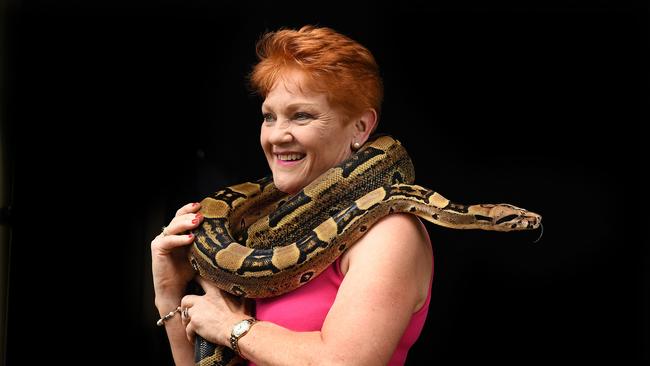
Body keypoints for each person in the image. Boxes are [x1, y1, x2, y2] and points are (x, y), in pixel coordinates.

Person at [151, 25, 434, 365]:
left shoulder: (389, 232)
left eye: (301, 116)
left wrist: (232, 328)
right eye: (269, 117)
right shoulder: (256, 237)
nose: (277, 136)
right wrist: (169, 294)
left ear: (360, 127)